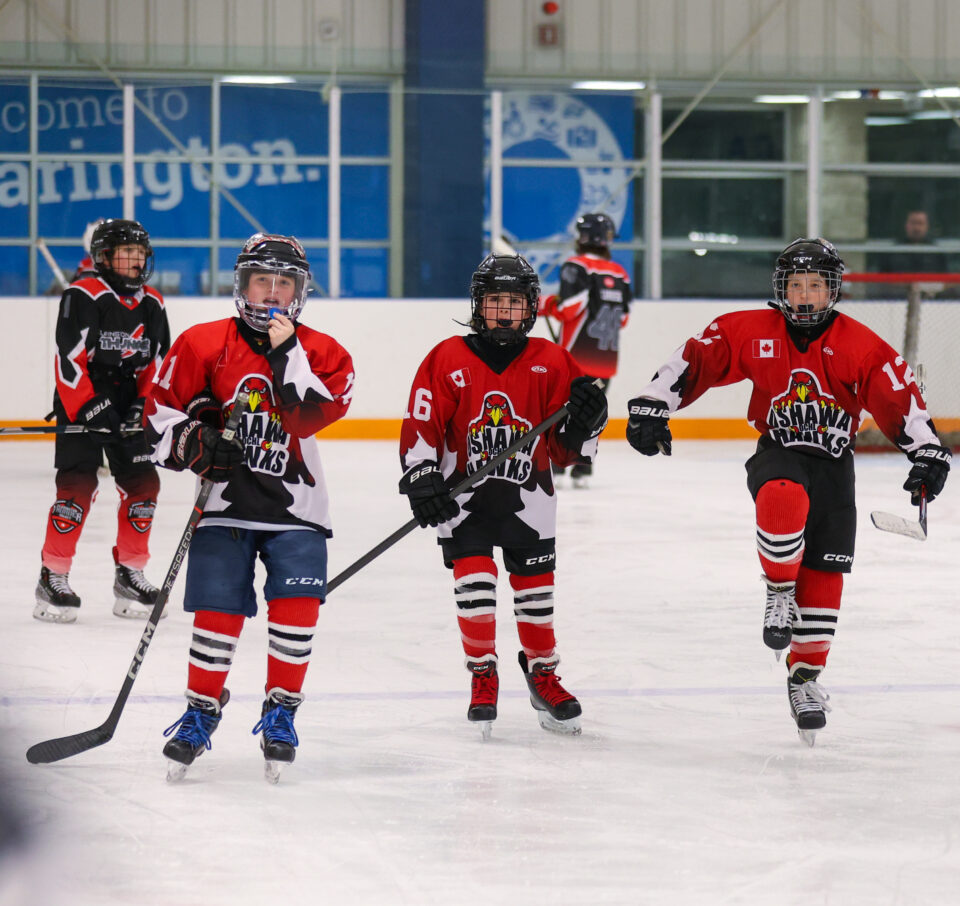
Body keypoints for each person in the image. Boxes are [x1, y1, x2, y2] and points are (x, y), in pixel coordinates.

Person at [625, 238, 952, 746]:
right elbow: (696, 359)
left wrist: (927, 453)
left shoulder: (860, 345)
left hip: (834, 466)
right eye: (795, 285)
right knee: (782, 496)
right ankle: (779, 590)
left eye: (815, 286)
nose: (803, 296)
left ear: (832, 291)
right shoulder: (751, 330)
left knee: (825, 576)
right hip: (778, 451)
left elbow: (899, 398)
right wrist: (652, 404)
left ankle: (804, 680)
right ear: (781, 288)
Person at [144, 233, 354, 781]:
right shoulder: (200, 343)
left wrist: (286, 353)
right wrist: (194, 440)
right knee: (217, 613)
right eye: (263, 280)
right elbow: (158, 416)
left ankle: (281, 710)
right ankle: (200, 711)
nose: (273, 292)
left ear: (300, 291)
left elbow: (308, 417)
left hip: (298, 509)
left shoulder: (325, 353)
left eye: (284, 282)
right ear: (242, 284)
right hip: (224, 506)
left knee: (296, 611)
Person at [398, 253, 608, 738]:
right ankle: (482, 673)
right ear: (478, 305)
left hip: (531, 501)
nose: (505, 313)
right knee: (474, 584)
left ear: (531, 307)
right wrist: (422, 476)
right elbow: (421, 424)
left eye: (514, 303)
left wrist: (587, 421)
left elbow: (567, 451)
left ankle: (542, 673)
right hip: (462, 501)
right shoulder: (447, 357)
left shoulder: (553, 361)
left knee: (536, 595)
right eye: (496, 302)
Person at [34, 218, 171, 624]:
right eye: (126, 252)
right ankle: (53, 575)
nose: (135, 260)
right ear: (104, 257)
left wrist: (142, 404)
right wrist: (91, 408)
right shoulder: (83, 294)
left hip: (128, 397)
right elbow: (68, 362)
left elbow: (157, 363)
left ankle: (130, 573)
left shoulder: (154, 302)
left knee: (144, 485)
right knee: (77, 487)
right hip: (83, 395)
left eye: (140, 253)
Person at [542, 212, 632, 487]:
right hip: (605, 361)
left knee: (561, 411)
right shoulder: (619, 272)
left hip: (574, 358)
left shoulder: (576, 266)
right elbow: (623, 318)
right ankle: (583, 469)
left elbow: (569, 308)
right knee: (593, 411)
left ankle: (557, 468)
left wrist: (547, 304)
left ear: (582, 237)